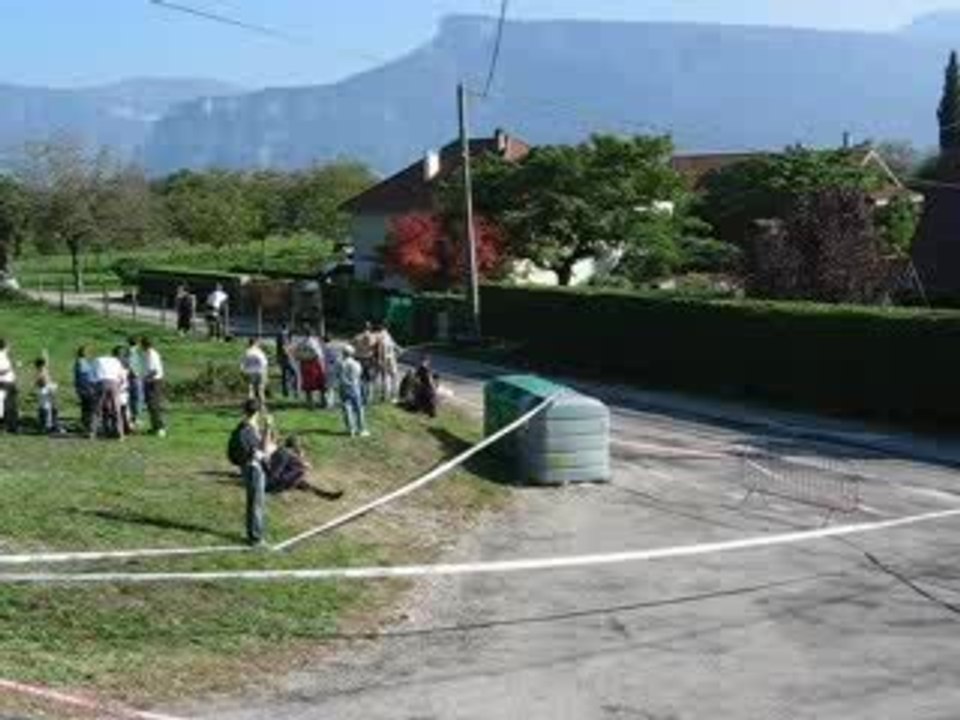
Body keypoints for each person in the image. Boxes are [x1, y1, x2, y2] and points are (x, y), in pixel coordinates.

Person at [229, 399, 269, 546]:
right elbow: (260, 451)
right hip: (253, 469)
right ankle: (256, 537)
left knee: (254, 502)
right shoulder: (248, 430)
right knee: (256, 503)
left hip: (248, 467)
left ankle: (252, 532)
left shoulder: (245, 426)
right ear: (257, 413)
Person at [266, 435, 344, 500]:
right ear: (293, 446)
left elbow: (292, 464)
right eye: (298, 445)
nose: (299, 448)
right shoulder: (284, 453)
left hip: (285, 478)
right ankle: (327, 495)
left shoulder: (287, 453)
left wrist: (301, 461)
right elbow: (276, 472)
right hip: (280, 481)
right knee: (302, 481)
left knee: (305, 485)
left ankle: (327, 495)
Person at [92, 348, 127, 440]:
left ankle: (93, 432)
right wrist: (119, 388)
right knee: (116, 410)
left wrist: (94, 386)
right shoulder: (117, 362)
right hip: (113, 383)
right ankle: (120, 434)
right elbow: (122, 378)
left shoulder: (98, 359)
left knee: (98, 409)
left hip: (101, 382)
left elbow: (93, 374)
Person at [337, 345, 368, 437]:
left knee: (347, 408)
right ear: (352, 353)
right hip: (354, 387)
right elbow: (359, 374)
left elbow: (336, 374)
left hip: (343, 387)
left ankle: (351, 429)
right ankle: (361, 429)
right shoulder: (356, 363)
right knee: (358, 408)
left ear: (343, 353)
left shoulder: (339, 363)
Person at [141, 337, 166, 438]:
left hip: (154, 382)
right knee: (151, 406)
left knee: (154, 405)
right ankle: (154, 427)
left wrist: (144, 379)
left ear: (144, 345)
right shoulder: (150, 353)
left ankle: (160, 428)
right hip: (153, 381)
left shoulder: (151, 354)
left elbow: (153, 371)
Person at [295, 331, 326, 409]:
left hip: (305, 363)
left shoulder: (301, 342)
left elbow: (297, 354)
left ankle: (310, 403)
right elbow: (318, 354)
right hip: (313, 363)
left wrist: (301, 357)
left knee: (308, 385)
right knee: (319, 384)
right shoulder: (314, 342)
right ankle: (322, 402)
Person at [372, 322, 400, 403]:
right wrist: (380, 359)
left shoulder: (385, 335)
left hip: (389, 358)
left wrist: (399, 349)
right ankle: (391, 396)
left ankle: (386, 396)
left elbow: (393, 344)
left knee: (387, 377)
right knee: (391, 377)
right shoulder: (382, 335)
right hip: (386, 359)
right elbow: (380, 348)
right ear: (384, 328)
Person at [34, 357, 62, 435]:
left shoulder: (41, 371)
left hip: (44, 392)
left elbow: (41, 382)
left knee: (46, 409)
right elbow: (44, 383)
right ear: (42, 365)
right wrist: (52, 387)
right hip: (46, 392)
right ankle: (48, 427)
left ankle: (47, 426)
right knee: (47, 409)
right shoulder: (41, 372)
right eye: (44, 365)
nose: (46, 366)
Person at [73, 345, 97, 434]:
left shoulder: (83, 362)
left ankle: (85, 425)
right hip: (86, 388)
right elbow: (85, 377)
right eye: (88, 352)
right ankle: (88, 426)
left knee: (85, 407)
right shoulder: (81, 362)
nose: (89, 354)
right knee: (89, 408)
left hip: (84, 388)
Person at [353, 322, 377, 405]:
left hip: (358, 359)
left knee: (360, 379)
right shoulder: (373, 337)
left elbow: (352, 344)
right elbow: (374, 347)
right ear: (370, 328)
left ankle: (360, 396)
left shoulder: (357, 336)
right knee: (369, 379)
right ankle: (368, 398)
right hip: (368, 360)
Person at [241, 338, 269, 406]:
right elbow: (264, 363)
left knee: (251, 390)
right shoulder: (259, 351)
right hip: (260, 371)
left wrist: (244, 372)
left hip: (250, 372)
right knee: (260, 390)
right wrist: (265, 373)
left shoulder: (247, 352)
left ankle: (251, 407)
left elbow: (243, 364)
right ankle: (262, 407)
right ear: (255, 343)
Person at [124, 336, 145, 428]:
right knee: (137, 398)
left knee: (131, 398)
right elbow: (131, 365)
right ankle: (135, 419)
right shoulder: (134, 352)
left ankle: (131, 418)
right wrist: (137, 374)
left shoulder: (128, 351)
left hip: (130, 377)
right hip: (135, 377)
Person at [275, 322, 298, 400]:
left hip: (282, 358)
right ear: (287, 328)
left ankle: (285, 392)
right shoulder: (283, 335)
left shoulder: (279, 335)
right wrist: (291, 351)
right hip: (287, 358)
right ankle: (295, 391)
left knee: (284, 375)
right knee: (295, 373)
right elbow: (285, 347)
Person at [0, 338, 18, 433]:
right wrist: (13, 366)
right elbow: (1, 371)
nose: (10, 347)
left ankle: (11, 426)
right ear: (5, 346)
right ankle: (9, 427)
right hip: (5, 383)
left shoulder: (5, 356)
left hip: (9, 383)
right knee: (8, 406)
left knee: (11, 406)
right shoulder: (0, 356)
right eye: (8, 345)